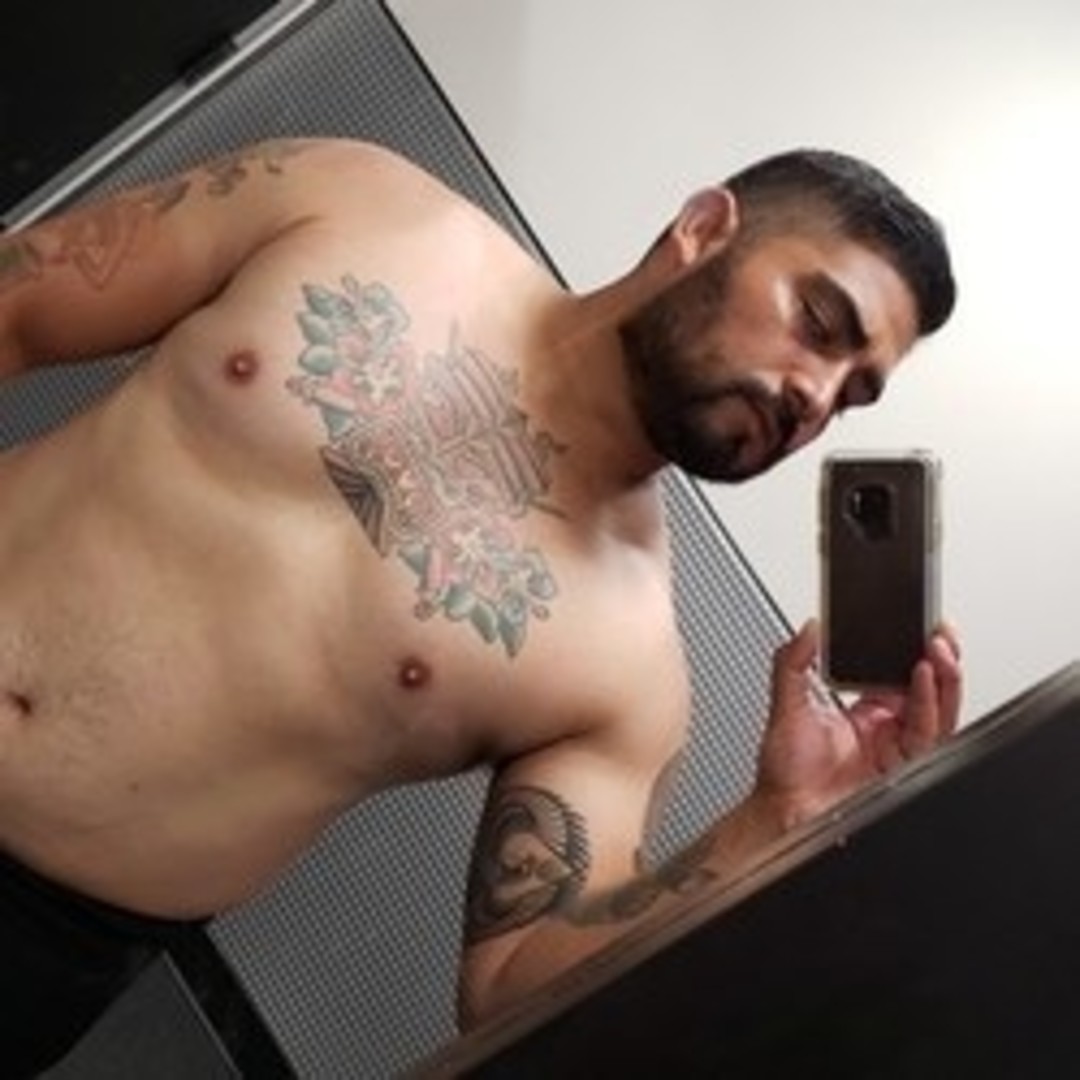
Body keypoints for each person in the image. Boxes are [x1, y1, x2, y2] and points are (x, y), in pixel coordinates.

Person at [0, 137, 961, 1072]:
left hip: (37, 937)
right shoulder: (362, 206)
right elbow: (24, 302)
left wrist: (774, 819)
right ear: (705, 229)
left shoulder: (628, 662)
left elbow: (509, 985)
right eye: (818, 324)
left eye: (852, 394)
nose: (815, 395)